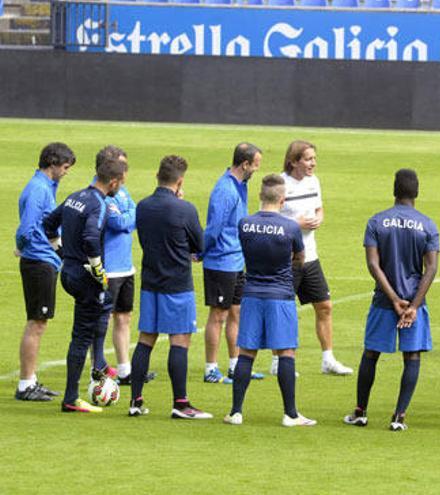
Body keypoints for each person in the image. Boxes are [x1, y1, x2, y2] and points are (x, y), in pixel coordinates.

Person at [343, 169, 439, 431]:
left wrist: (394, 298)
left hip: (384, 301)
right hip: (414, 301)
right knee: (412, 357)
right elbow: (430, 268)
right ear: (416, 192)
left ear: (394, 191)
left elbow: (373, 265)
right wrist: (414, 305)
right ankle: (399, 417)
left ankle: (361, 412)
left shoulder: (377, 222)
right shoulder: (428, 225)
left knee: (371, 354)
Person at [223, 174, 317, 427]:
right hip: (280, 295)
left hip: (252, 292)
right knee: (285, 351)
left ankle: (235, 412)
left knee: (246, 353)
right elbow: (300, 257)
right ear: (283, 199)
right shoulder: (290, 227)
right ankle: (291, 414)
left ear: (260, 195)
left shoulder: (245, 224)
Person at [128, 155, 211, 419]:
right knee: (180, 341)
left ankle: (135, 400)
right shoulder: (184, 209)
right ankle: (181, 404)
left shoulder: (142, 206)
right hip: (177, 284)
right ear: (180, 181)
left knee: (145, 339)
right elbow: (200, 245)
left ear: (157, 176)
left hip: (150, 282)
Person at [44, 157, 127, 413]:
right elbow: (91, 238)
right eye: (120, 184)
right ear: (112, 182)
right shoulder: (100, 204)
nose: (120, 188)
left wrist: (62, 253)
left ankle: (99, 368)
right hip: (84, 278)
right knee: (81, 336)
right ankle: (71, 398)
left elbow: (49, 224)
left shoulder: (74, 196)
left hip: (68, 272)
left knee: (97, 316)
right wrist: (97, 269)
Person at [275, 140, 352, 376]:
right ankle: (279, 361)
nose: (313, 163)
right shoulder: (280, 184)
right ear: (294, 161)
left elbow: (319, 208)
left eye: (314, 159)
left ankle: (327, 359)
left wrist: (319, 217)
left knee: (325, 306)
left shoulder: (314, 181)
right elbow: (270, 218)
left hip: (310, 255)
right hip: (287, 259)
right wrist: (295, 224)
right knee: (285, 309)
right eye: (308, 159)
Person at [86, 146, 155, 386]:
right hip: (109, 268)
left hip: (126, 267)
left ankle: (125, 370)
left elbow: (133, 213)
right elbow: (118, 222)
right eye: (122, 166)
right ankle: (97, 367)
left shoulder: (122, 191)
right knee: (101, 319)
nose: (126, 172)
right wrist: (130, 217)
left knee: (124, 317)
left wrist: (130, 216)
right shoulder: (99, 194)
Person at [14, 142, 76, 401]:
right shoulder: (39, 190)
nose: (66, 172)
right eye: (64, 167)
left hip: (44, 261)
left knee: (39, 322)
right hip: (39, 263)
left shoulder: (44, 187)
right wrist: (22, 246)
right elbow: (27, 228)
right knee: (37, 323)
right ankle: (25, 384)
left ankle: (31, 381)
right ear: (52, 164)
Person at [202, 143, 263, 384]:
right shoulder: (225, 190)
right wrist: (201, 251)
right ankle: (210, 369)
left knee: (236, 312)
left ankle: (235, 365)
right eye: (255, 166)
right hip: (221, 262)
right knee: (218, 315)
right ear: (245, 164)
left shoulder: (241, 185)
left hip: (237, 260)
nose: (256, 170)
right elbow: (214, 227)